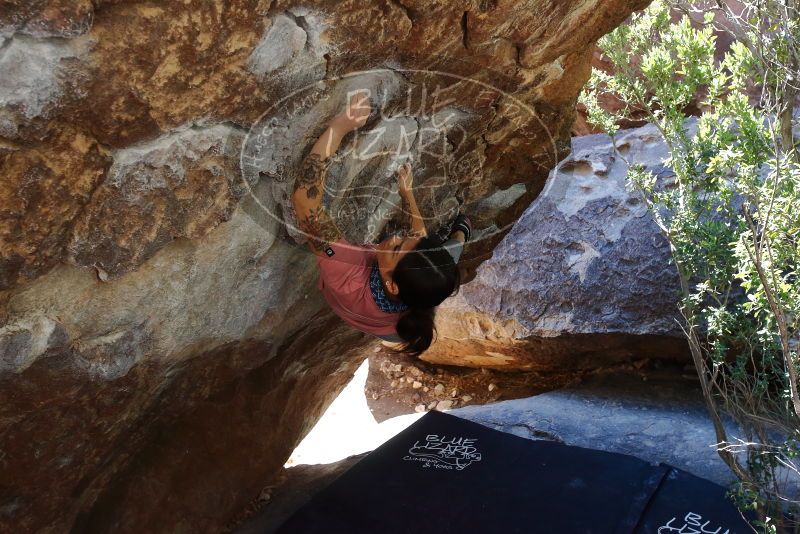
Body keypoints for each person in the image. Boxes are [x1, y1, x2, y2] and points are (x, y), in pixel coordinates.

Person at [290, 90, 472, 356]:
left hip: (364, 310)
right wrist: (407, 193)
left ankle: (461, 235)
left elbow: (305, 200)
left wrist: (339, 127)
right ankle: (462, 234)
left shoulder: (346, 274)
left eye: (396, 248)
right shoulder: (418, 292)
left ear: (392, 284)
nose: (396, 237)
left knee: (451, 252)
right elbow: (417, 235)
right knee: (449, 255)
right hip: (387, 326)